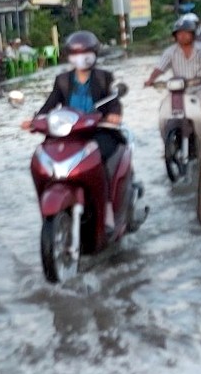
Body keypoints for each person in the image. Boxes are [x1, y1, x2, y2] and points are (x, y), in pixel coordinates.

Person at [22, 30, 124, 230]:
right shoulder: (63, 80)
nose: (80, 56)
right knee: (42, 158)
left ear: (94, 53)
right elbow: (50, 105)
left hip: (99, 131)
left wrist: (114, 114)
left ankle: (108, 208)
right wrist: (35, 120)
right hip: (70, 134)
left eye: (85, 52)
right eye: (75, 52)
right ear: (69, 55)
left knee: (101, 160)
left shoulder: (104, 77)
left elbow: (114, 101)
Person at [144, 17, 201, 134]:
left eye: (186, 33)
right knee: (165, 110)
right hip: (179, 91)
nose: (182, 36)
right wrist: (151, 79)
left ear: (193, 35)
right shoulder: (170, 52)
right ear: (175, 36)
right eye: (179, 33)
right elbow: (160, 68)